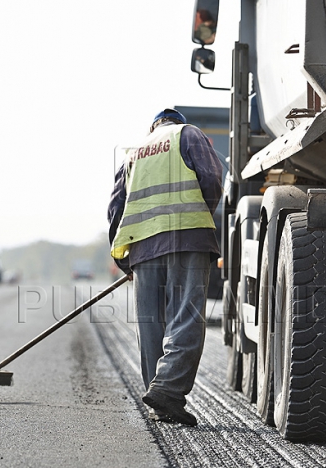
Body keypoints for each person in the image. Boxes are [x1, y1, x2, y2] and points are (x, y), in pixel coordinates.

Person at [108, 108, 223, 426]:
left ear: (153, 127)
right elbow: (212, 178)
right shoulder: (188, 134)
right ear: (175, 121)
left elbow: (117, 207)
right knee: (185, 318)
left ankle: (160, 402)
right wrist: (201, 215)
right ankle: (168, 392)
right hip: (188, 240)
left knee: (150, 327)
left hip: (143, 248)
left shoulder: (134, 154)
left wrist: (123, 259)